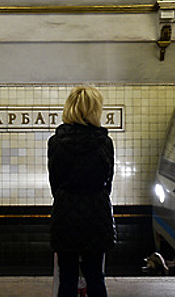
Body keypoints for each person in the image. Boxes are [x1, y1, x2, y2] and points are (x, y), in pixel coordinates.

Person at [48, 86, 116, 297]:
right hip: (96, 214)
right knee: (96, 277)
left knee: (66, 278)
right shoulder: (105, 143)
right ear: (95, 110)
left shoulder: (55, 142)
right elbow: (108, 183)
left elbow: (54, 183)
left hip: (66, 212)